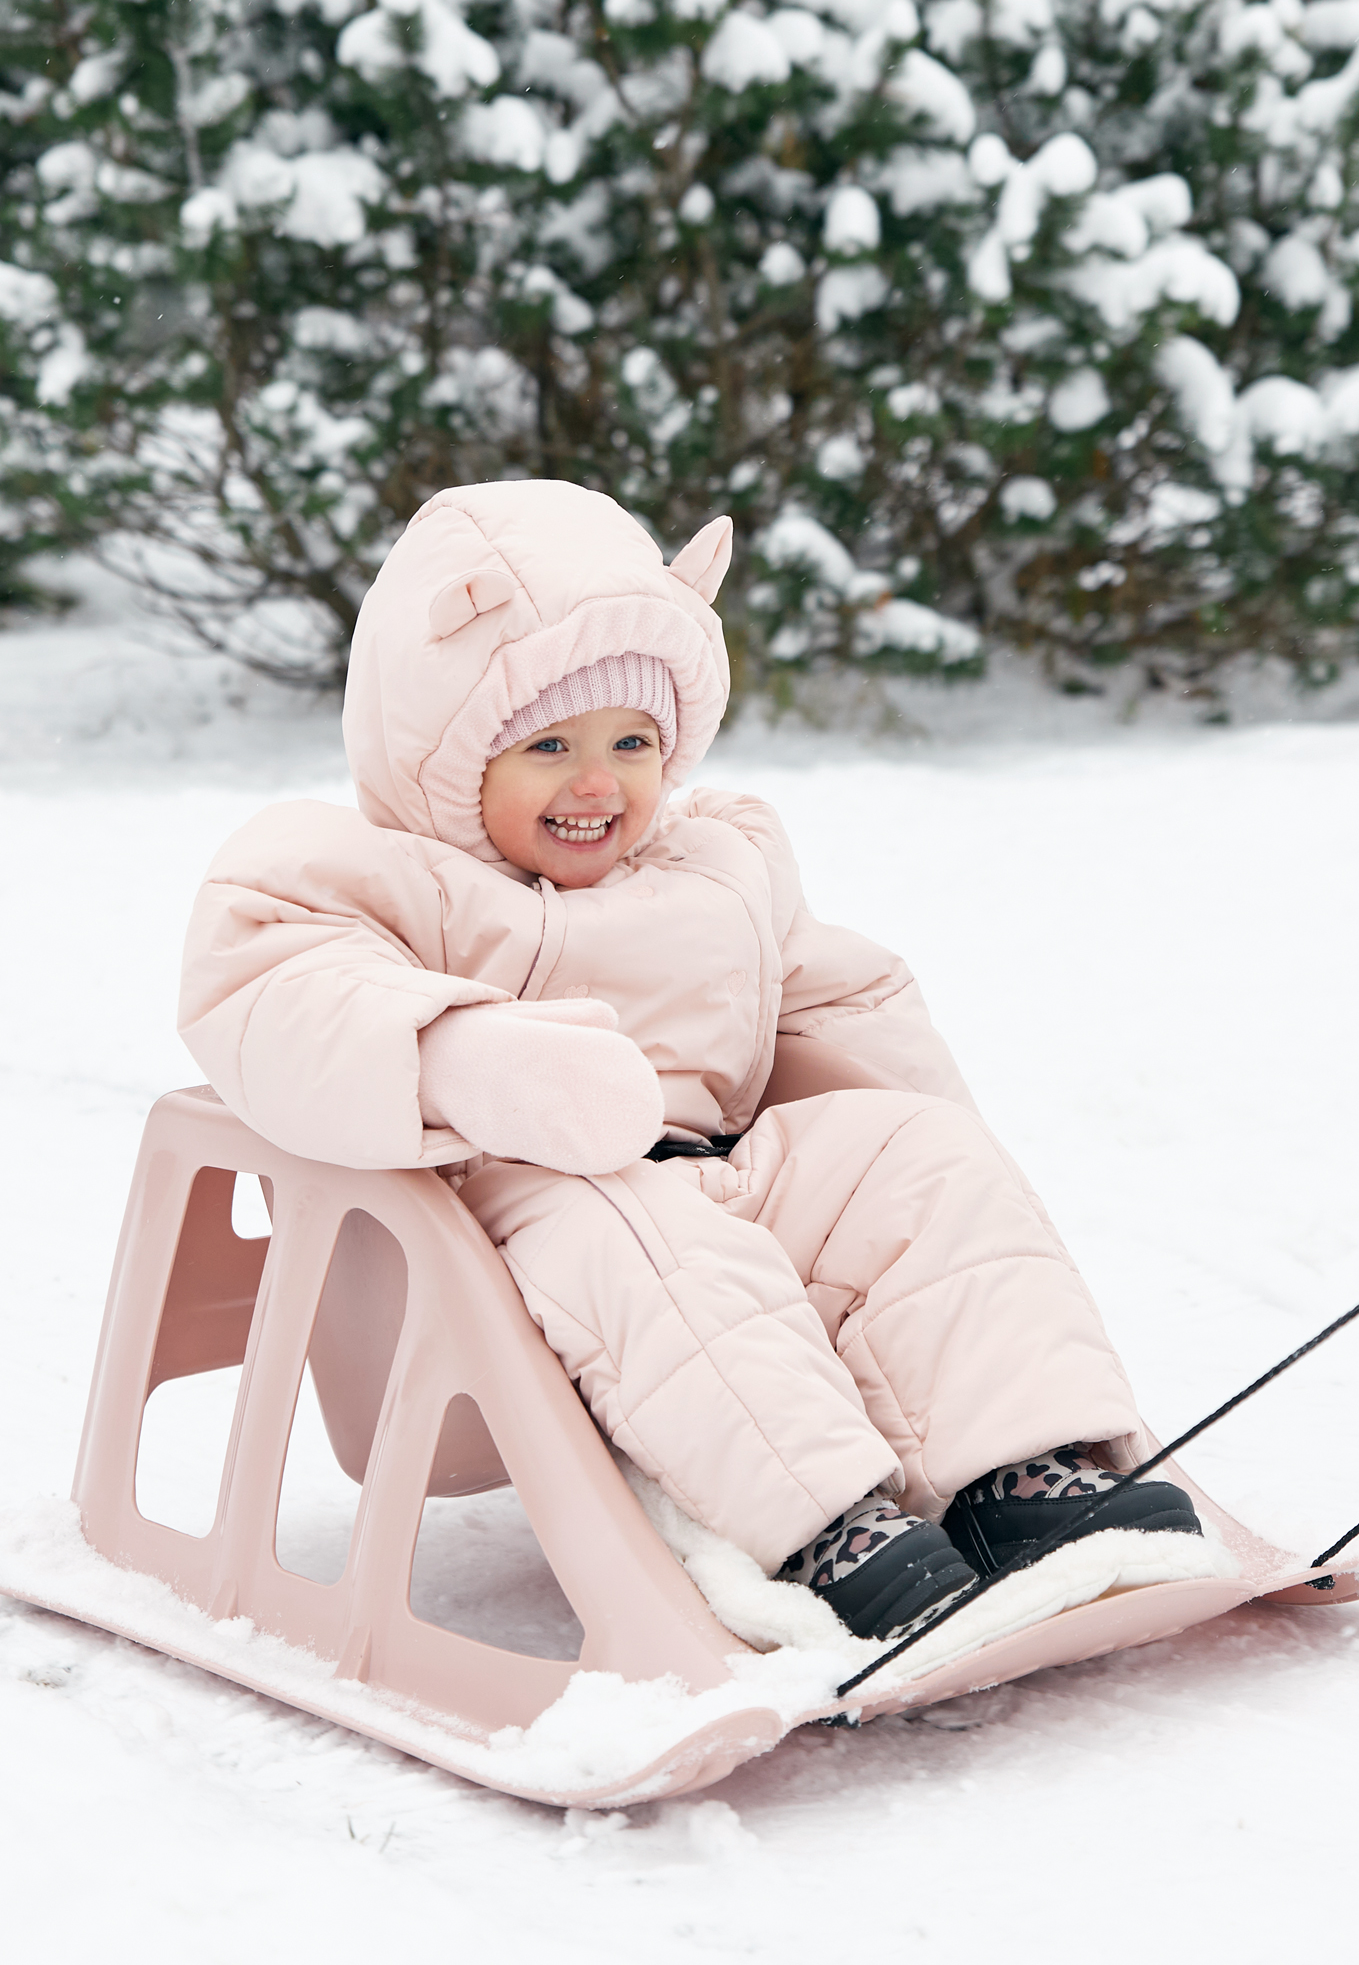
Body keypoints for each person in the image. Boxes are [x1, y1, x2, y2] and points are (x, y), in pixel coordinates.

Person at [178, 480, 1215, 1643]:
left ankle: (1014, 1471)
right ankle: (821, 1523)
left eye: (632, 742)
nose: (597, 781)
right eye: (547, 746)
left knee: (913, 1154)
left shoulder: (717, 862)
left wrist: (931, 1146)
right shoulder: (359, 874)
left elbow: (831, 999)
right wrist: (461, 1056)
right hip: (504, 1225)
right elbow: (275, 995)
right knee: (638, 1234)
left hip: (728, 1171)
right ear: (442, 753)